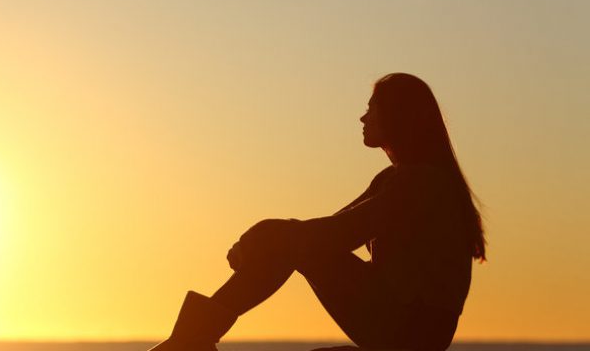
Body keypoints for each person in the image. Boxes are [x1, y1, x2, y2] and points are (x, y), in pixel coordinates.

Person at [147, 73, 487, 351]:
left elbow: (332, 237)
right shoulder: (396, 179)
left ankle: (191, 339)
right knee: (292, 241)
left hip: (410, 332)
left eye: (373, 107)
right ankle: (192, 339)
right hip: (399, 327)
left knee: (293, 242)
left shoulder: (421, 181)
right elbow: (328, 230)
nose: (363, 117)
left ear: (399, 114)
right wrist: (271, 237)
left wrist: (265, 235)